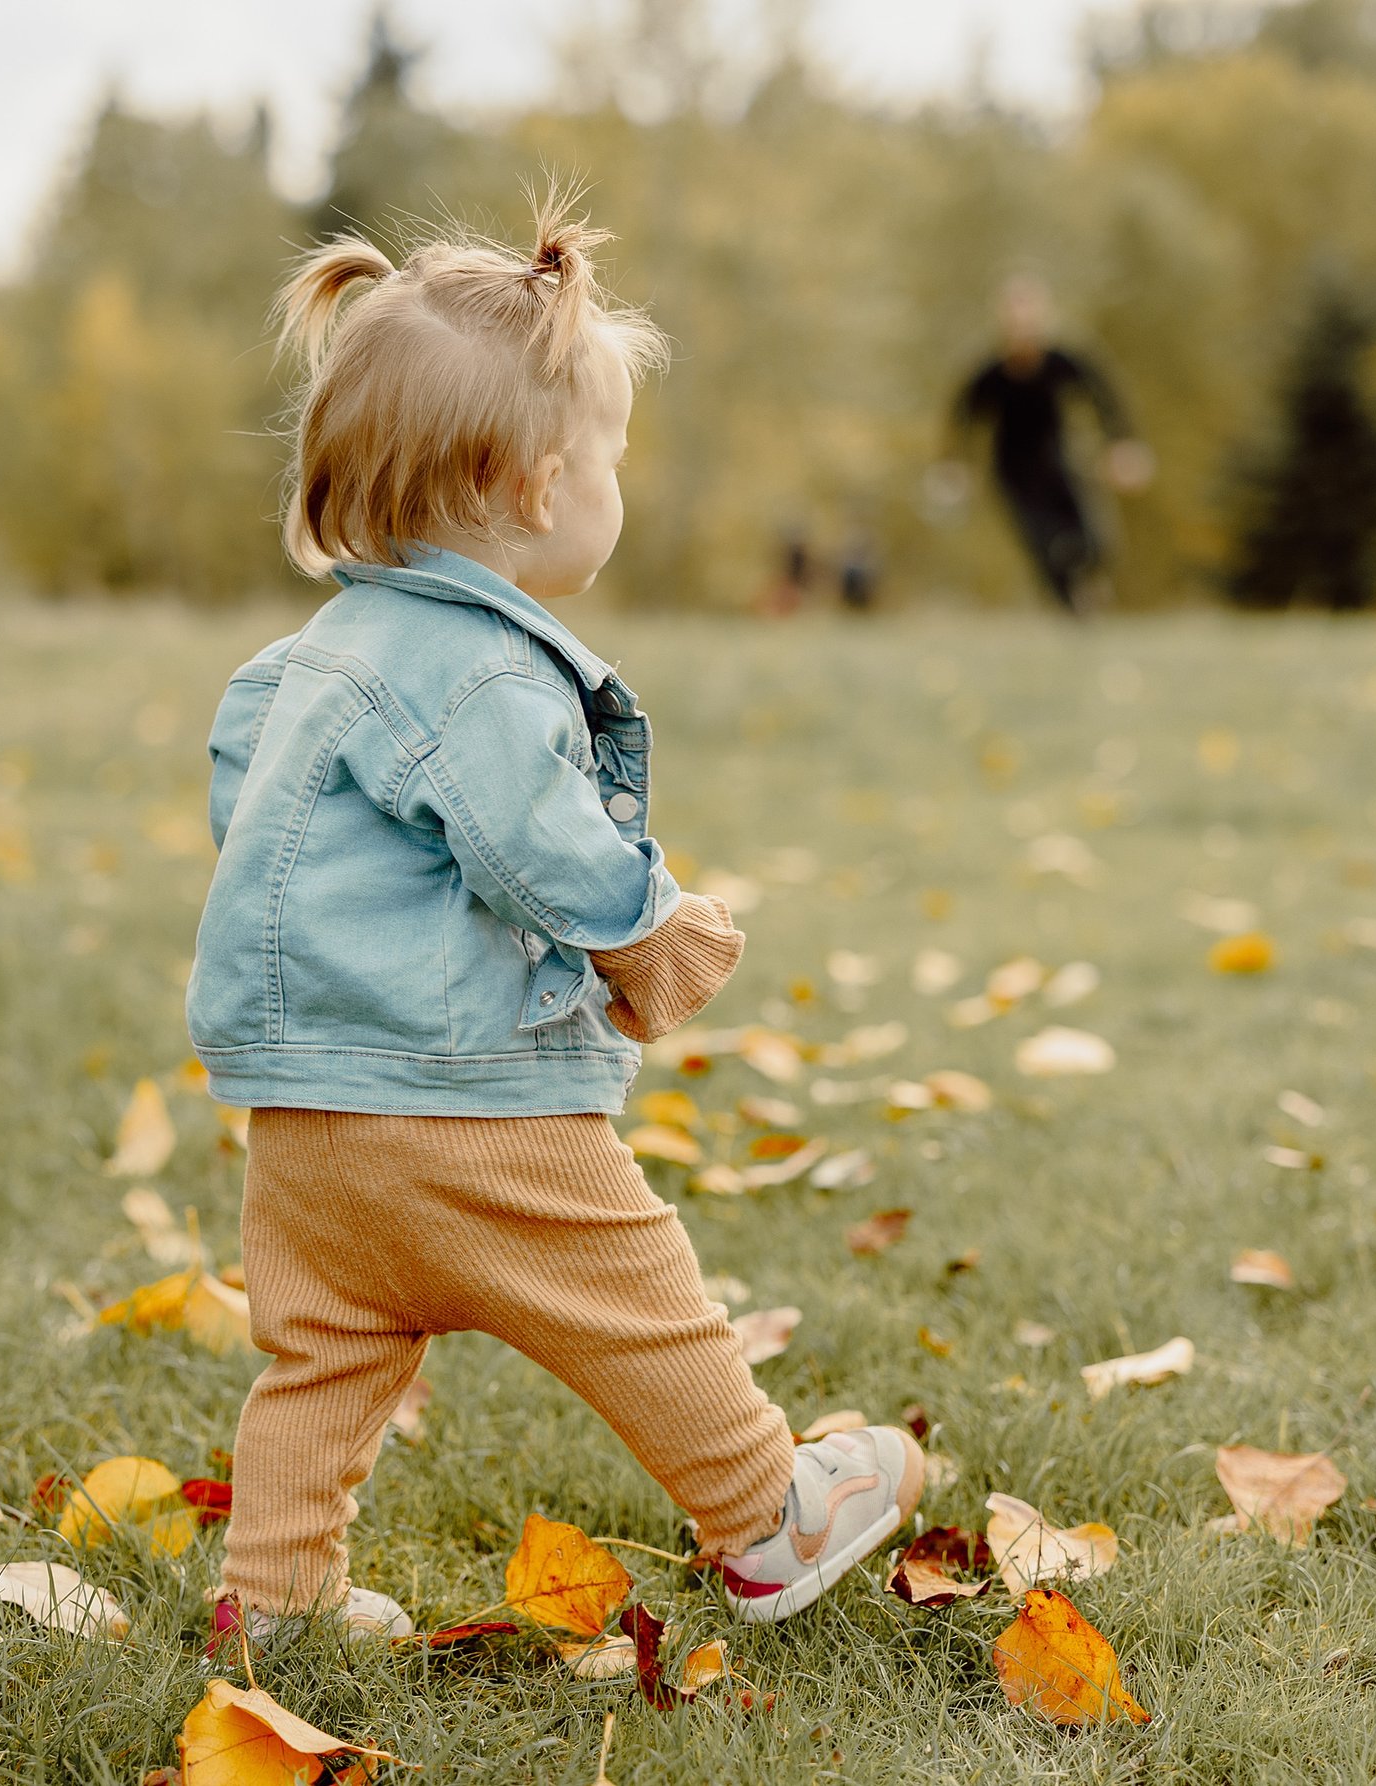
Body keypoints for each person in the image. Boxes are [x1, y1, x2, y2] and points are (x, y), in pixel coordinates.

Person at [187, 198, 926, 1651]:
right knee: (640, 1298)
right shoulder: (479, 674)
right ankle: (770, 1513)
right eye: (612, 460)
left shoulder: (296, 666)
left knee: (326, 1352)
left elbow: (257, 829)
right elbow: (541, 842)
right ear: (535, 486)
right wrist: (654, 936)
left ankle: (273, 1601)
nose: (615, 486)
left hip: (304, 1121)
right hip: (471, 1107)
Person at [940, 274, 1154, 615]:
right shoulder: (991, 372)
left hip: (1059, 459)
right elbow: (963, 416)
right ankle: (1074, 615)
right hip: (1013, 471)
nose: (1022, 326)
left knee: (1094, 544)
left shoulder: (1062, 361)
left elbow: (1103, 395)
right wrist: (953, 465)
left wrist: (1122, 444)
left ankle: (1089, 588)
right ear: (1004, 321)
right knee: (1046, 543)